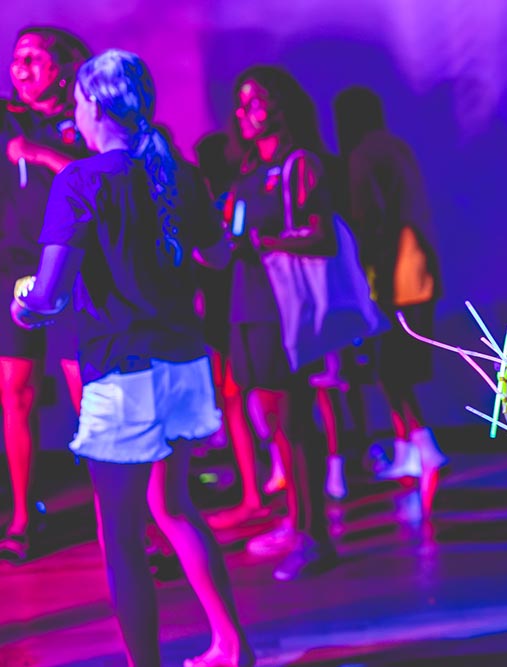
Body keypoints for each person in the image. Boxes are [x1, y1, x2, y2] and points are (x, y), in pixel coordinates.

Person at [9, 49, 252, 667]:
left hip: (122, 371)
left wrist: (22, 305)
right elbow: (218, 256)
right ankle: (231, 645)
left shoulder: (80, 181)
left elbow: (49, 295)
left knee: (119, 536)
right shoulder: (178, 173)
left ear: (94, 106)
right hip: (184, 364)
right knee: (174, 508)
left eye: (77, 102)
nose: (74, 113)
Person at [210, 65, 338, 581]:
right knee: (276, 424)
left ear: (281, 106)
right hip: (247, 303)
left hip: (282, 307)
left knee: (294, 422)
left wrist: (263, 242)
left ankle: (314, 535)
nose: (244, 112)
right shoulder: (247, 170)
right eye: (240, 103)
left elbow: (323, 237)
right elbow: (230, 242)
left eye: (256, 100)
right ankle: (296, 523)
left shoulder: (298, 164)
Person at [0, 26, 91, 561]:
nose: (21, 68)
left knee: (86, 393)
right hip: (14, 269)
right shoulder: (9, 119)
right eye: (17, 59)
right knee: (16, 390)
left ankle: (123, 515)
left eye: (34, 58)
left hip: (74, 268)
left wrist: (37, 153)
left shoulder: (87, 116)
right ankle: (22, 515)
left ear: (64, 66)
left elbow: (97, 178)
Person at [334, 86, 447, 506]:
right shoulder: (396, 147)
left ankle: (425, 446)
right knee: (397, 367)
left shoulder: (363, 155)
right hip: (419, 265)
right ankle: (408, 453)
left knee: (391, 370)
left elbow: (371, 221)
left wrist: (366, 277)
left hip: (394, 274)